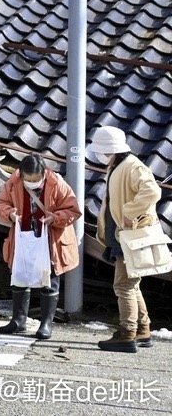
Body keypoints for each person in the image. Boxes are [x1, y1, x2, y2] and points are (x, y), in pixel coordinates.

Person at [0, 153, 82, 340]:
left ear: (44, 173)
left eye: (36, 179)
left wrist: (55, 218)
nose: (32, 182)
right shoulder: (14, 182)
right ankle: (18, 320)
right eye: (28, 179)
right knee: (19, 276)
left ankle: (46, 323)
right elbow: (1, 204)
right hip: (23, 237)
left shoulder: (57, 183)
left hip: (50, 239)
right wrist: (10, 214)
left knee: (49, 280)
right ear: (21, 174)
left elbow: (73, 209)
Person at [90, 125, 162, 353]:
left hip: (130, 236)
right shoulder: (121, 164)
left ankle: (127, 333)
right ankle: (143, 329)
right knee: (132, 284)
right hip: (124, 235)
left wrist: (130, 211)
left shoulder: (131, 166)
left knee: (123, 285)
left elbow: (152, 192)